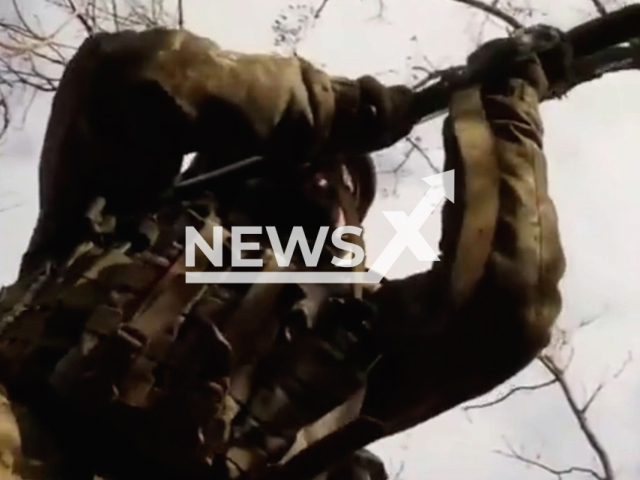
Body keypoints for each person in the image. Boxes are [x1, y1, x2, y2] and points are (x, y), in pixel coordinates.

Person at [0, 25, 567, 480]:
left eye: (345, 181)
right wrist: (334, 108)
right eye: (311, 159)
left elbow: (505, 300)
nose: (322, 180)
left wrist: (501, 109)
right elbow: (125, 76)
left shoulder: (359, 332)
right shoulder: (115, 218)